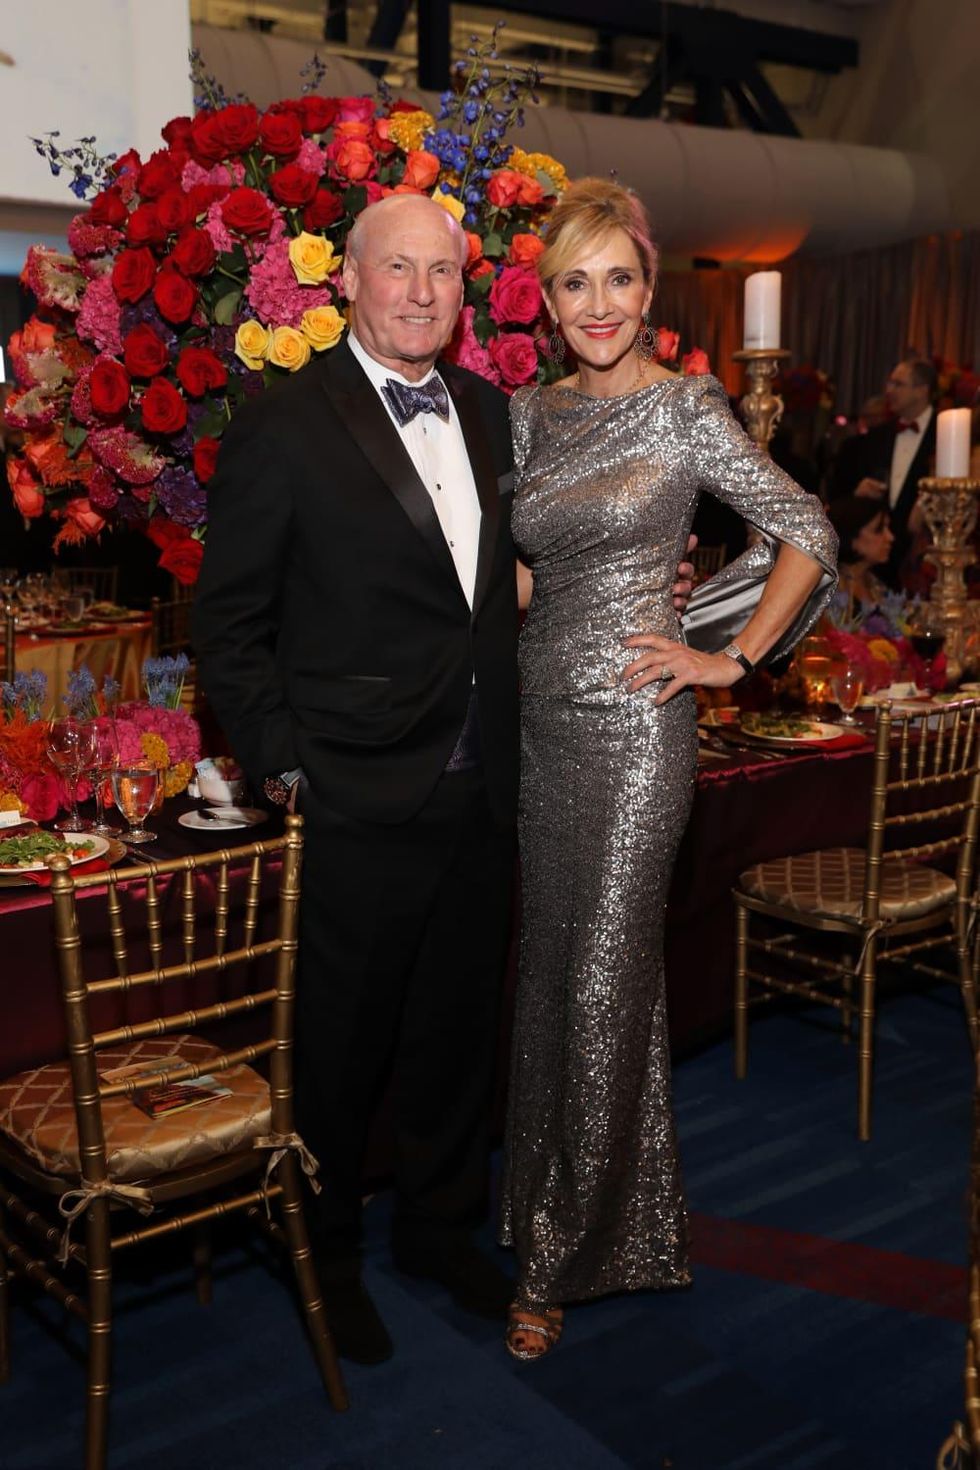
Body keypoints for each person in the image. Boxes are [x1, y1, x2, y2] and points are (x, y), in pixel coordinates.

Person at [192, 191, 697, 1366]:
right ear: (349, 283)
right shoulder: (283, 423)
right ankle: (320, 1253)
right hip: (353, 791)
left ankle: (435, 1226)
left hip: (490, 786)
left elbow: (537, 569)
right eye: (398, 270)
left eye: (442, 274)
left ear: (463, 294)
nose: (421, 293)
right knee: (341, 1043)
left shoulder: (489, 413)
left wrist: (651, 583)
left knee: (457, 1029)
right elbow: (229, 623)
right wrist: (281, 765)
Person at [498, 178, 838, 1360]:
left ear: (648, 289)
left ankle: (552, 1261)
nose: (598, 305)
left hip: (643, 727)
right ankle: (599, 1216)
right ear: (545, 302)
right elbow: (530, 580)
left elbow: (806, 530)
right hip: (538, 725)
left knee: (600, 974)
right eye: (572, 283)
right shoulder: (529, 416)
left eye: (619, 279)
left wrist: (726, 656)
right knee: (552, 973)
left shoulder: (688, 410)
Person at [828, 357, 937, 587]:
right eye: (890, 383)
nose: (889, 390)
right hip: (876, 563)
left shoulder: (947, 437)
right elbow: (839, 498)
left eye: (898, 384)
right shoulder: (876, 437)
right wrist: (858, 492)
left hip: (924, 561)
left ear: (921, 390)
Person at [827, 496, 895, 612]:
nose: (890, 537)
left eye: (887, 528)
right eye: (878, 530)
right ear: (852, 538)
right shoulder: (829, 589)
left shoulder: (878, 586)